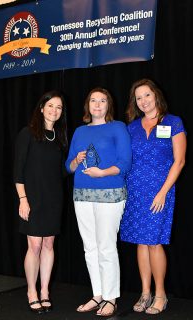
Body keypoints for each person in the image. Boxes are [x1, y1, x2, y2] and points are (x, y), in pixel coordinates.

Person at [119, 79, 187, 315]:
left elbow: (179, 161)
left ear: (156, 95)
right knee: (141, 241)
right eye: (138, 98)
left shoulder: (173, 122)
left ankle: (161, 294)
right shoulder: (132, 127)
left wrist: (162, 192)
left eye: (147, 95)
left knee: (154, 242)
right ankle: (145, 293)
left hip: (161, 191)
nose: (143, 101)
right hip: (135, 191)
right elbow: (125, 160)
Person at [65, 87, 131, 317]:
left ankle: (111, 298)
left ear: (108, 105)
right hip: (81, 195)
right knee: (90, 248)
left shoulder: (117, 127)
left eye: (102, 100)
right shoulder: (80, 131)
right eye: (93, 100)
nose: (97, 104)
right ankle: (98, 294)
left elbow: (124, 163)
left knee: (106, 246)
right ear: (88, 105)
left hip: (109, 194)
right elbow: (68, 167)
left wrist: (101, 173)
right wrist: (76, 160)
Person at [13, 90, 68, 314]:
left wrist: (75, 162)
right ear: (42, 107)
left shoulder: (61, 137)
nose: (55, 110)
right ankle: (31, 291)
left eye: (59, 107)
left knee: (48, 245)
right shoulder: (28, 133)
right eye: (51, 106)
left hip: (54, 198)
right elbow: (18, 171)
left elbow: (61, 172)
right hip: (33, 198)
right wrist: (23, 200)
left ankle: (45, 291)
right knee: (34, 246)